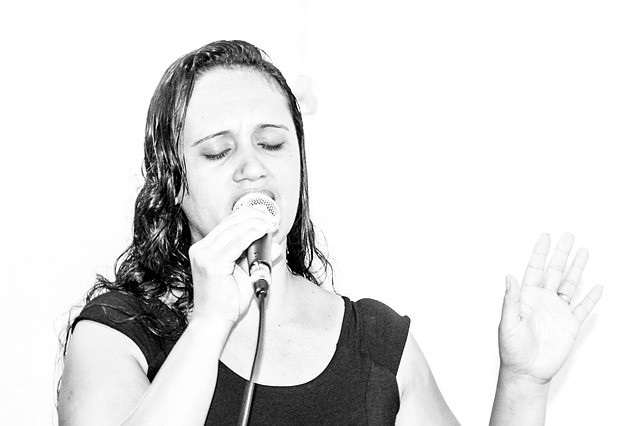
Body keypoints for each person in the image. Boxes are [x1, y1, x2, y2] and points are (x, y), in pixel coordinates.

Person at [57, 40, 603, 425]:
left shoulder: (376, 343)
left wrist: (524, 384)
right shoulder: (117, 334)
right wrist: (209, 324)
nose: (252, 167)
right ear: (173, 184)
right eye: (218, 151)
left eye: (272, 143)